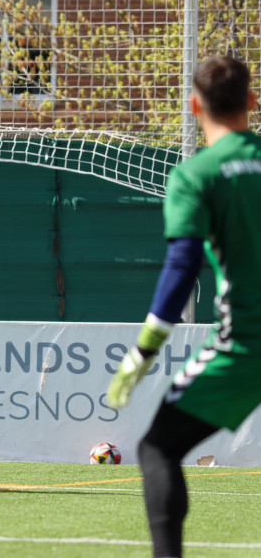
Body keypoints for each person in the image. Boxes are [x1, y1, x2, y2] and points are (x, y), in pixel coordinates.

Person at [107, 55, 261, 557]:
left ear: (194, 105)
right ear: (252, 103)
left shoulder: (198, 173)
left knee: (159, 448)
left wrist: (144, 350)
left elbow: (182, 266)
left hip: (248, 349)